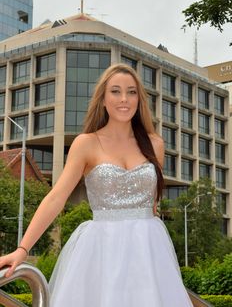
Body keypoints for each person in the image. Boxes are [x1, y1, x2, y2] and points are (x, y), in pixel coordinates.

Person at [0, 63, 193, 306]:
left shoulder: (155, 144)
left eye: (131, 92)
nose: (124, 99)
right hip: (102, 252)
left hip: (149, 252)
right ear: (102, 99)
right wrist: (22, 249)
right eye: (115, 91)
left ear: (139, 99)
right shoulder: (86, 144)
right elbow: (56, 197)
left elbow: (152, 204)